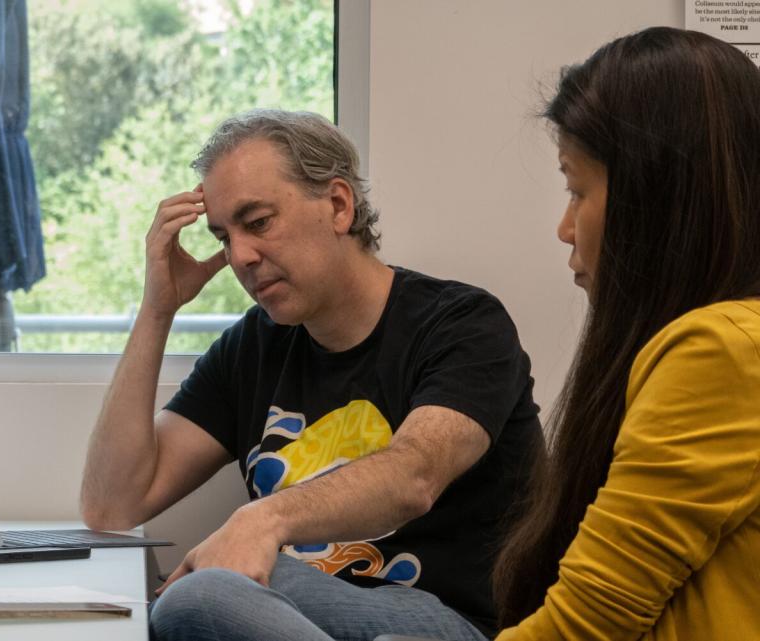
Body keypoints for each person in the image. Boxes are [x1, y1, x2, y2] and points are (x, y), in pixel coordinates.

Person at [80, 109, 543, 641]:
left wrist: (262, 521)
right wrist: (157, 309)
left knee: (213, 591)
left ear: (339, 205)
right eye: (224, 237)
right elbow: (113, 503)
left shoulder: (462, 324)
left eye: (257, 223)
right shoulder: (255, 345)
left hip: (451, 622)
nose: (241, 257)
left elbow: (415, 476)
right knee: (194, 601)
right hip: (297, 616)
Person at [488, 27, 760, 640]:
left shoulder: (722, 350)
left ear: (655, 199)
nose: (565, 227)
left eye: (576, 189)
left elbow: (584, 627)